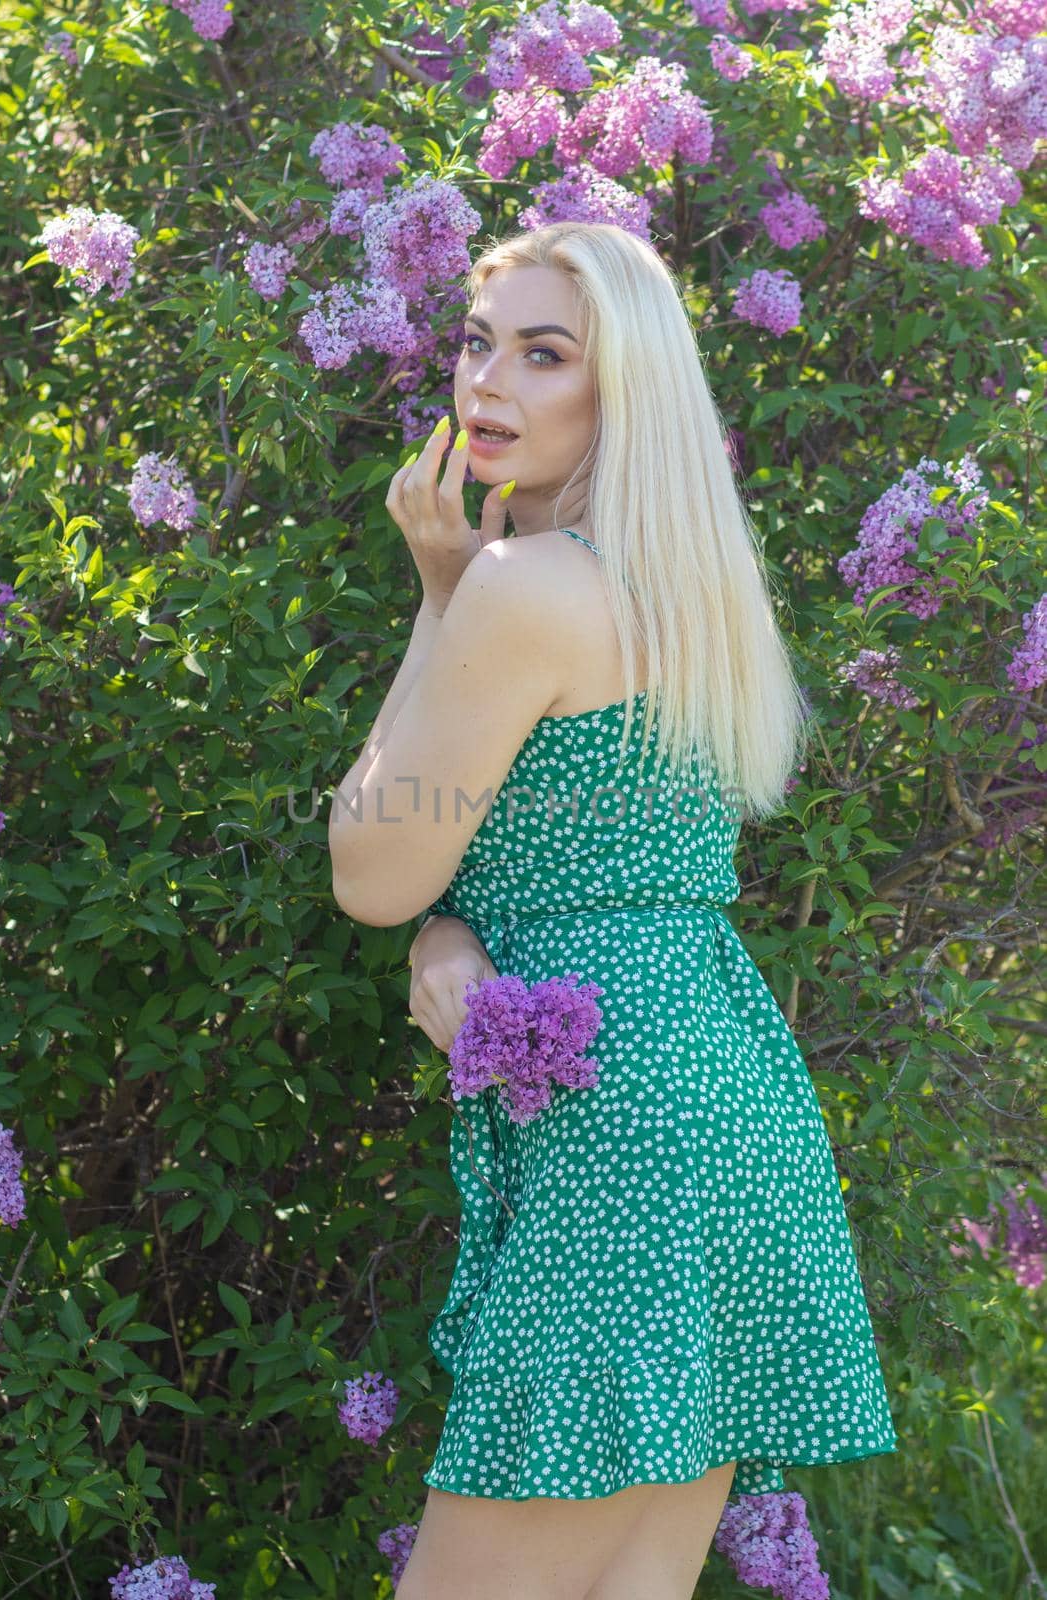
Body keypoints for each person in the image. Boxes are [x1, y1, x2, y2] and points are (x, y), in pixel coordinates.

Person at [330, 220, 898, 1600]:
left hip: (618, 1146)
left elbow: (372, 865)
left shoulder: (525, 589)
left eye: (544, 355)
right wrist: (453, 932)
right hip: (725, 1103)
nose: (489, 384)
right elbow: (556, 864)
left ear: (619, 392)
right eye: (478, 344)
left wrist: (439, 597)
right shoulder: (696, 600)